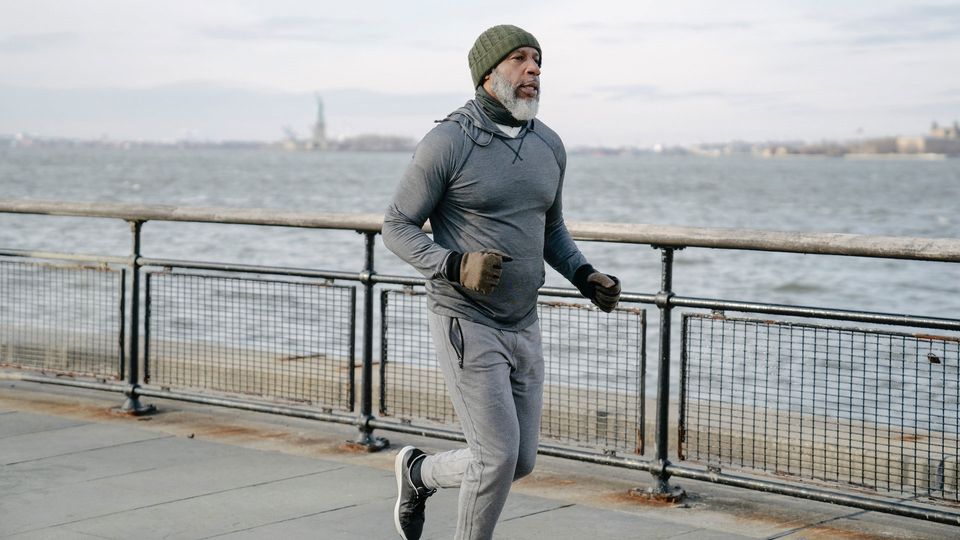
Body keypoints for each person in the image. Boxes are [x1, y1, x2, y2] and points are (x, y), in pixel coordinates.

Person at [382, 24, 622, 540]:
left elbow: (550, 228)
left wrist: (584, 275)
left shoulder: (549, 145)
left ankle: (419, 473)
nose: (534, 68)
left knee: (520, 460)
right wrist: (452, 264)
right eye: (520, 59)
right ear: (489, 73)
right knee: (495, 457)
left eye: (538, 59)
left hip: (524, 320)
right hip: (466, 319)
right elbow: (396, 227)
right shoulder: (448, 141)